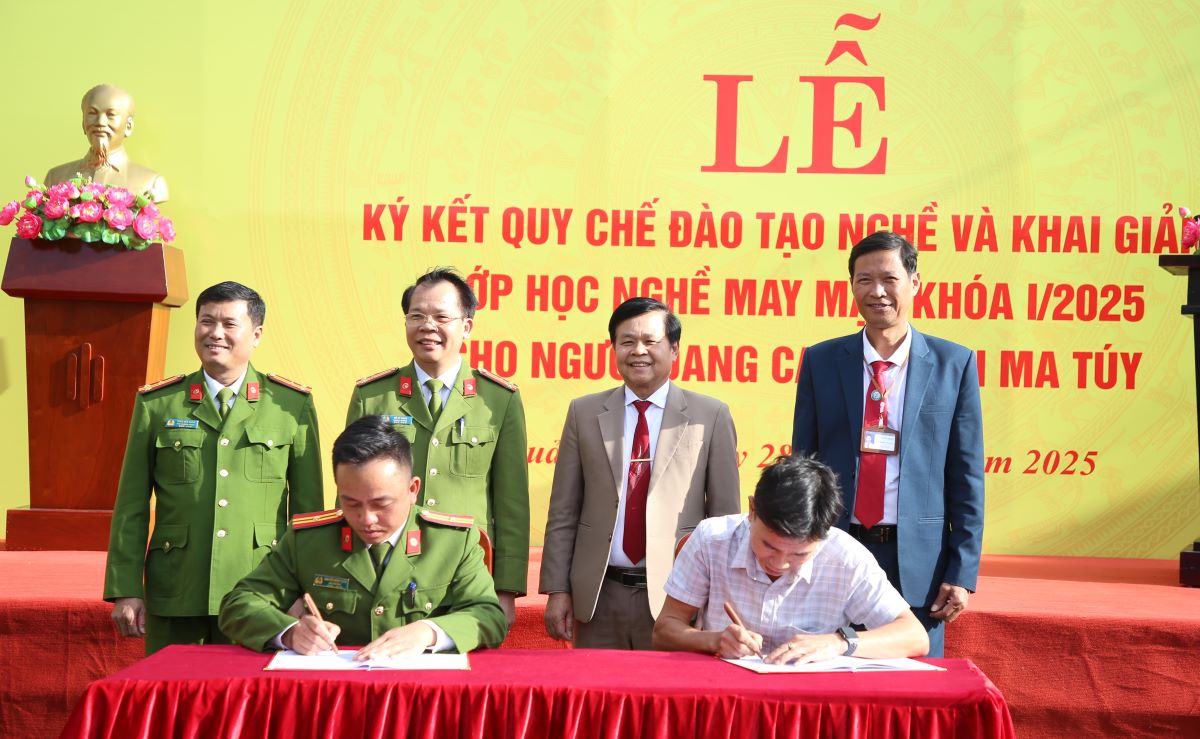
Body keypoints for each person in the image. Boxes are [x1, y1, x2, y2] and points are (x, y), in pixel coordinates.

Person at [791, 231, 985, 657]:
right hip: (835, 549)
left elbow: (967, 477)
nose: (876, 291)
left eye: (889, 279)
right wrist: (798, 546)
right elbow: (804, 466)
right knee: (830, 676)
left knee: (913, 685)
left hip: (917, 563)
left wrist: (962, 571)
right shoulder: (822, 361)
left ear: (915, 283)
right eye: (864, 280)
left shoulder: (954, 364)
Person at [103, 281, 322, 654]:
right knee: (172, 687)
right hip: (177, 587)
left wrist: (305, 590)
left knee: (249, 690)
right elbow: (131, 505)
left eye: (229, 324)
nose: (215, 333)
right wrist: (125, 587)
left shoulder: (290, 406)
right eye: (206, 321)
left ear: (256, 334)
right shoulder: (159, 404)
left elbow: (308, 512)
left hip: (261, 590)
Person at [540, 297, 741, 649]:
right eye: (627, 341)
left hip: (677, 601)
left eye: (650, 341)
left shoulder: (710, 416)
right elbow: (563, 510)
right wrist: (557, 589)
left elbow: (724, 522)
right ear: (614, 348)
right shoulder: (583, 413)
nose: (638, 351)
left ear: (674, 349)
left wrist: (716, 599)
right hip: (599, 597)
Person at [219, 416, 507, 656]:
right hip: (337, 692)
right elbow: (238, 605)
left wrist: (428, 633)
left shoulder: (453, 541)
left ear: (412, 490)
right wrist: (290, 633)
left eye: (381, 504)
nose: (367, 519)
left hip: (422, 692)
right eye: (352, 503)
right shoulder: (308, 541)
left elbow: (488, 616)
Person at [346, 267, 528, 627]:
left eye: (441, 317)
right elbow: (351, 494)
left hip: (467, 575)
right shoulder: (373, 397)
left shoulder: (498, 399)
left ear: (467, 326)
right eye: (417, 316)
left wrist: (506, 590)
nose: (428, 327)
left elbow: (511, 505)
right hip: (385, 575)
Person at [653, 455, 928, 662]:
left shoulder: (845, 557)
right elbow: (664, 630)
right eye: (768, 546)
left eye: (799, 554)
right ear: (752, 510)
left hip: (808, 703)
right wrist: (714, 640)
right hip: (726, 695)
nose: (780, 563)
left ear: (824, 535)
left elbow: (915, 636)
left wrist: (839, 643)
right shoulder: (712, 540)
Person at [45, 84, 169, 202]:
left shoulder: (152, 183)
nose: (100, 122)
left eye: (111, 114)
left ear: (128, 126)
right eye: (92, 113)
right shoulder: (55, 178)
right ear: (83, 123)